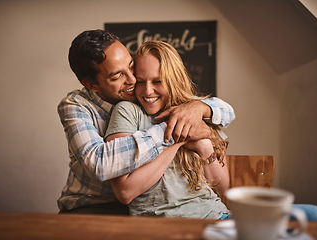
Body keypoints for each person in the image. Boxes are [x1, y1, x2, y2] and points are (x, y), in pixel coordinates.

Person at [57, 29, 236, 215]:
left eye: (131, 66)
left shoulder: (144, 97)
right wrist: (176, 131)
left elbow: (227, 112)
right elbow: (101, 163)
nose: (133, 80)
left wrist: (199, 108)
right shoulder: (76, 106)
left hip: (200, 211)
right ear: (92, 85)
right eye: (117, 76)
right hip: (91, 207)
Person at [104, 41, 230, 219]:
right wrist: (178, 141)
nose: (148, 91)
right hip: (161, 226)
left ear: (174, 80)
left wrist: (205, 148)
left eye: (158, 81)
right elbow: (125, 192)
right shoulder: (127, 112)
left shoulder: (195, 113)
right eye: (140, 81)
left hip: (217, 216)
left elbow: (223, 189)